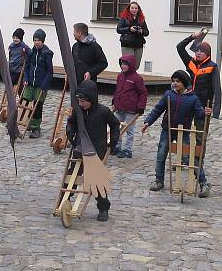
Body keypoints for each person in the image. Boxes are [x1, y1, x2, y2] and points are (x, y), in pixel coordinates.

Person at [141, 70, 212, 193]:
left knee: (189, 158)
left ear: (184, 82)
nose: (174, 83)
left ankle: (203, 183)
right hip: (167, 130)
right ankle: (159, 180)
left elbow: (199, 113)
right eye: (173, 81)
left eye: (177, 81)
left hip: (183, 131)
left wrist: (205, 113)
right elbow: (158, 109)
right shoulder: (169, 95)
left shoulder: (193, 98)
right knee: (161, 155)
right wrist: (148, 121)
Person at [65, 80, 120, 221]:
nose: (81, 104)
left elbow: (115, 124)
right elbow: (71, 123)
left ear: (92, 100)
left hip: (96, 150)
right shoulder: (78, 112)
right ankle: (64, 200)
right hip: (79, 148)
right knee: (71, 176)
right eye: (79, 101)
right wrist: (70, 133)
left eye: (83, 101)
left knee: (97, 181)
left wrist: (112, 141)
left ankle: (103, 209)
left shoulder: (103, 112)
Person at [176, 30, 221, 198]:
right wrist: (192, 38)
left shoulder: (212, 67)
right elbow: (180, 47)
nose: (199, 53)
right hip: (188, 104)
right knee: (184, 135)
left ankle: (198, 165)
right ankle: (185, 159)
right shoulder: (191, 63)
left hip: (203, 107)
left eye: (202, 51)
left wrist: (213, 110)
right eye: (197, 50)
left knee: (200, 139)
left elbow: (217, 89)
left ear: (207, 54)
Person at [111, 54, 148, 158]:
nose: (123, 66)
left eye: (125, 64)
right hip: (119, 108)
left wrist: (141, 107)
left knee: (129, 130)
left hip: (131, 109)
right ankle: (117, 146)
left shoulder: (137, 78)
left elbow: (143, 93)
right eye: (122, 64)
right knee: (117, 128)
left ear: (131, 65)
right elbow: (118, 90)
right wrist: (114, 101)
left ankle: (127, 149)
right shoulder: (120, 76)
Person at [22, 28, 53, 138]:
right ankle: (23, 122)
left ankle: (36, 128)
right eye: (35, 40)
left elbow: (50, 72)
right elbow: (27, 67)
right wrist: (25, 78)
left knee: (37, 106)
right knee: (24, 102)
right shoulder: (31, 52)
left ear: (43, 41)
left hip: (41, 85)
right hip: (30, 83)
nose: (36, 42)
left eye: (39, 40)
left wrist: (44, 85)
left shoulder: (46, 53)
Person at [116, 1, 149, 69]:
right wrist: (129, 29)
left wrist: (141, 31)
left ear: (138, 9)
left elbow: (147, 32)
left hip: (138, 45)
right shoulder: (124, 18)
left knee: (136, 66)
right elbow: (118, 30)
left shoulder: (141, 19)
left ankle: (133, 78)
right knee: (128, 64)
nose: (134, 10)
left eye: (136, 8)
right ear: (129, 9)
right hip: (127, 44)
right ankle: (126, 78)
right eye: (132, 8)